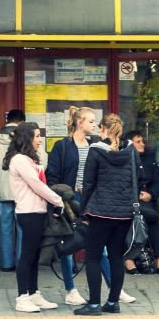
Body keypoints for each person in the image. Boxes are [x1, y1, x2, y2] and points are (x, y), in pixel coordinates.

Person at [74, 114, 140, 316]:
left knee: (93, 257)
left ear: (103, 128)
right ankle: (113, 302)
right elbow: (139, 176)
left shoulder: (95, 150)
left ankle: (94, 304)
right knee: (115, 258)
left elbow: (89, 183)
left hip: (100, 212)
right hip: (123, 213)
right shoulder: (131, 150)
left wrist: (83, 211)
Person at [4, 122, 65, 313]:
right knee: (27, 255)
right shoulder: (20, 160)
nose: (40, 140)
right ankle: (22, 297)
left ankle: (33, 293)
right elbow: (36, 185)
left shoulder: (30, 159)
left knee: (35, 255)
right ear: (27, 138)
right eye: (37, 136)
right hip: (28, 213)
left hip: (37, 212)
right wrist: (58, 200)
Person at [0, 109, 48, 272]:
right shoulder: (26, 138)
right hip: (23, 192)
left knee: (5, 228)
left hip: (4, 191)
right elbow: (42, 162)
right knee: (22, 228)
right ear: (21, 122)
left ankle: (6, 264)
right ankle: (21, 263)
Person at [46, 106, 97, 305]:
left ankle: (114, 289)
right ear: (79, 122)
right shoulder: (63, 146)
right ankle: (70, 290)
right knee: (68, 244)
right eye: (91, 121)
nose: (94, 124)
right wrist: (60, 199)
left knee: (98, 245)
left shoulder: (95, 145)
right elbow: (53, 176)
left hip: (90, 199)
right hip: (69, 199)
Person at [124, 131, 159, 274]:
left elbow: (158, 181)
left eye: (142, 141)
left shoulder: (149, 159)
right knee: (134, 221)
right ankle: (129, 259)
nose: (142, 144)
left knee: (153, 221)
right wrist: (135, 195)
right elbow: (121, 182)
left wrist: (151, 194)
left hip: (148, 200)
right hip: (130, 202)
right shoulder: (124, 159)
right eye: (138, 141)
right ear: (129, 144)